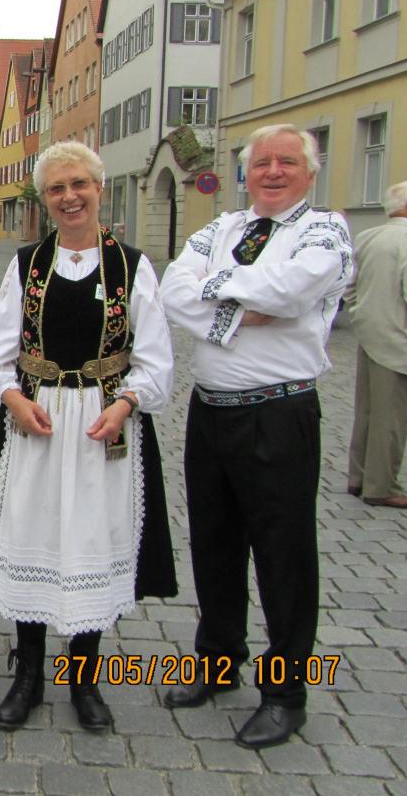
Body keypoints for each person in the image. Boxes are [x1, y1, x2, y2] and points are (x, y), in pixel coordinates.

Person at [0, 141, 176, 733]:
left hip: (101, 426)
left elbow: (156, 360)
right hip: (37, 422)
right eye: (57, 188)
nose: (69, 196)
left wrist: (126, 403)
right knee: (32, 532)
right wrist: (12, 399)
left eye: (79, 183)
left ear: (99, 188)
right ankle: (28, 675)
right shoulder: (28, 264)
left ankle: (84, 679)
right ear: (45, 198)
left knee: (90, 539)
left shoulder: (131, 266)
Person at [160, 123, 353, 749]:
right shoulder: (223, 228)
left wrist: (216, 292)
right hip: (210, 410)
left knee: (282, 555)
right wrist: (244, 310)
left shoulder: (323, 230)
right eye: (262, 162)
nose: (272, 171)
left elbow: (291, 290)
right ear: (246, 172)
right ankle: (218, 662)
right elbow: (172, 291)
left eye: (287, 162)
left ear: (310, 171)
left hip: (278, 413)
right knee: (214, 545)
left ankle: (286, 694)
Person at [346, 180, 407, 509]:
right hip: (402, 338)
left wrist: (361, 314)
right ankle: (382, 486)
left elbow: (350, 288)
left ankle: (359, 477)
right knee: (391, 417)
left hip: (370, 333)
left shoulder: (368, 236)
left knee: (367, 411)